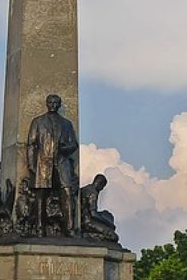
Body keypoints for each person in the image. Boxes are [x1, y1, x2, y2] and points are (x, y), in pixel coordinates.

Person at [26, 94, 79, 235]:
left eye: (56, 102)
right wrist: (31, 164)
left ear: (59, 104)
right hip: (43, 162)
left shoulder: (66, 124)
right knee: (41, 195)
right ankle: (39, 228)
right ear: (46, 103)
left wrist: (64, 149)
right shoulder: (37, 122)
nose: (53, 104)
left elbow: (74, 144)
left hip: (62, 162)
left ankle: (69, 228)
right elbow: (31, 144)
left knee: (67, 192)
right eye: (51, 102)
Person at [80, 173, 119, 243]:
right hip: (88, 222)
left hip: (83, 220)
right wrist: (109, 224)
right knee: (114, 237)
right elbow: (93, 214)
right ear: (100, 184)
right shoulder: (93, 193)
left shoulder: (84, 189)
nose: (101, 189)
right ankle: (88, 236)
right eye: (102, 187)